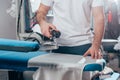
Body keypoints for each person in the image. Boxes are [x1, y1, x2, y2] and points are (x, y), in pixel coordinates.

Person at [36, 0, 105, 59]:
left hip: (83, 46)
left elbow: (99, 18)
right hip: (58, 46)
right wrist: (43, 24)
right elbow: (41, 11)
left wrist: (96, 45)